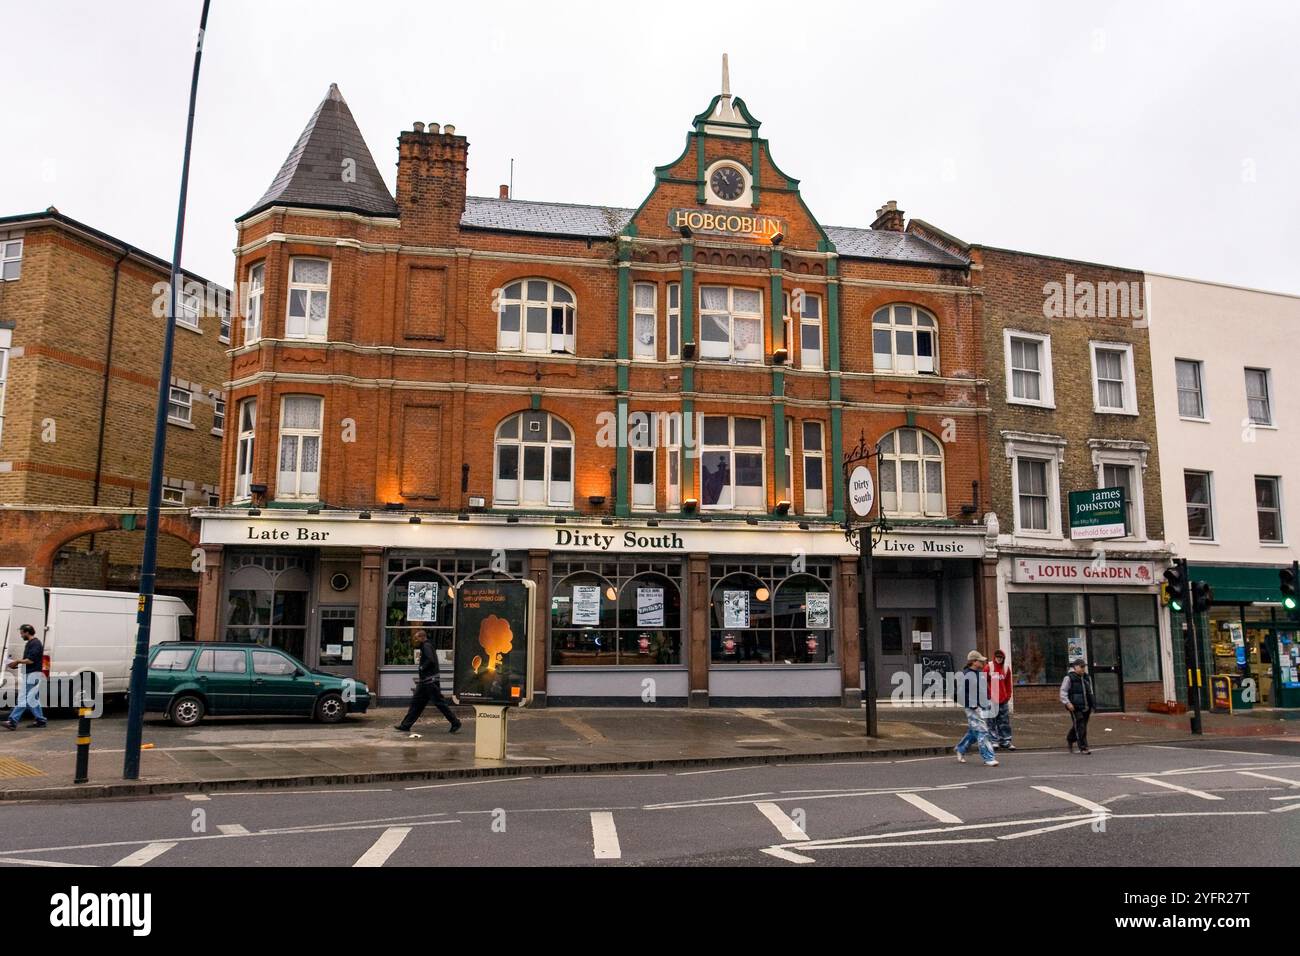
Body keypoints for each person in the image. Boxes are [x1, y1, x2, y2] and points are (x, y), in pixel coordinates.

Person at [395, 629, 461, 734]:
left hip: (429, 682)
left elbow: (430, 660)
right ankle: (405, 725)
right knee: (416, 704)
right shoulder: (426, 646)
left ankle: (455, 722)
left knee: (439, 703)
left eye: (416, 638)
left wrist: (422, 667)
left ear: (422, 637)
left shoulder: (426, 646)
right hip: (425, 682)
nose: (415, 640)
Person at [953, 650, 998, 767]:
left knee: (974, 732)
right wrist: (971, 703)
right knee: (983, 731)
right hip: (972, 708)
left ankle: (960, 748)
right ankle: (988, 758)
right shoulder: (965, 675)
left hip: (982, 707)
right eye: (980, 660)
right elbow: (958, 693)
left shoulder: (980, 674)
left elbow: (984, 690)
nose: (983, 662)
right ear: (974, 662)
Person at [5, 624, 48, 730]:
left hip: (32, 674)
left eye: (22, 633)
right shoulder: (31, 643)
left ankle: (12, 721)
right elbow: (28, 660)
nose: (21, 635)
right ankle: (40, 720)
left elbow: (31, 660)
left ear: (27, 632)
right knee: (32, 698)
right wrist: (16, 664)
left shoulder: (35, 644)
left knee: (24, 698)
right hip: (30, 673)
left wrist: (17, 661)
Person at [1060, 658, 1096, 754]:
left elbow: (1090, 691)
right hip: (1074, 706)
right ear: (1075, 667)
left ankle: (1070, 738)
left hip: (1086, 705)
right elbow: (1063, 692)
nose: (1083, 669)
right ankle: (1083, 747)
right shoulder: (1069, 678)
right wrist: (1067, 703)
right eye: (1081, 667)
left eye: (1084, 667)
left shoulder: (1087, 677)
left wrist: (1092, 703)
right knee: (1080, 725)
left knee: (1082, 725)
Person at [988, 649, 1016, 750]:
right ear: (994, 657)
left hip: (1003, 699)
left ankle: (1006, 740)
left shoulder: (1006, 668)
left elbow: (1008, 683)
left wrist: (1008, 696)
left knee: (1004, 721)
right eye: (997, 657)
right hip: (991, 699)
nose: (999, 659)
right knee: (991, 721)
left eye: (1001, 658)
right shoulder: (989, 667)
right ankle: (994, 740)